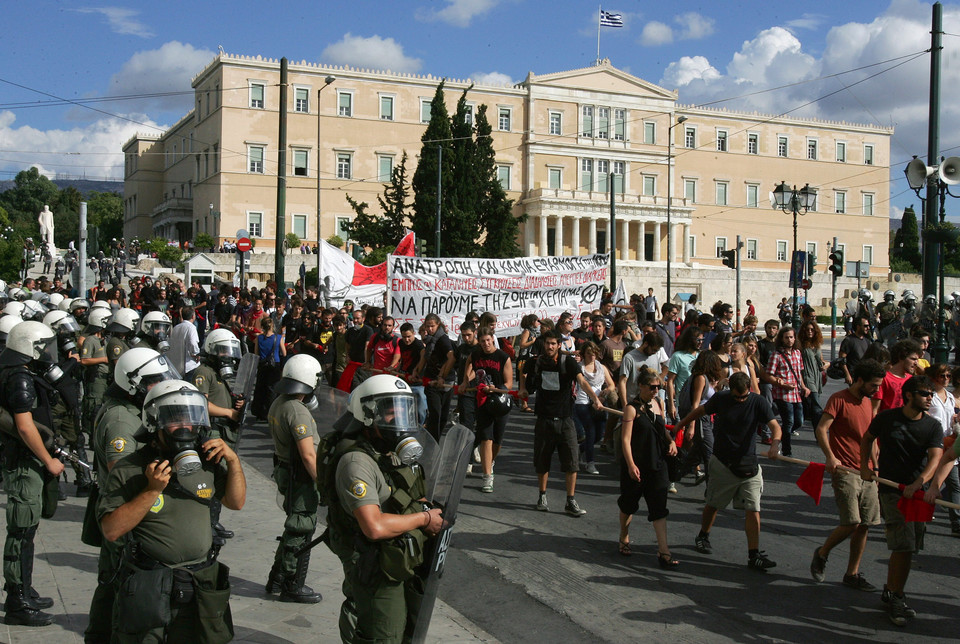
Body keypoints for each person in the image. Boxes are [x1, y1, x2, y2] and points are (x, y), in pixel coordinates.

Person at [98, 380, 244, 642]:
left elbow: (236, 502)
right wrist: (151, 490)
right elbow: (111, 530)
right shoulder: (130, 469)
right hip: (149, 585)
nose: (185, 427)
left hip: (200, 583)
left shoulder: (207, 462)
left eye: (191, 419)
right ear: (155, 422)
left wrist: (232, 460)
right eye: (176, 419)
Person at [322, 375, 443, 643]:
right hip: (370, 563)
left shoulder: (380, 450)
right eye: (391, 412)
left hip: (389, 559)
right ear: (367, 415)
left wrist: (417, 506)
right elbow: (374, 526)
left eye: (403, 411)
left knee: (400, 628)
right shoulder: (356, 462)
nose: (399, 420)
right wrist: (423, 519)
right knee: (384, 634)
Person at [86, 347, 179, 641]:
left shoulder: (129, 410)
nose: (159, 386)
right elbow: (123, 474)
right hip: (127, 514)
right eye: (154, 381)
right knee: (120, 587)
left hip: (132, 511)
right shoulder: (121, 421)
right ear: (132, 383)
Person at [677, 372, 782, 571]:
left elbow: (775, 427)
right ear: (730, 390)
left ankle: (754, 555)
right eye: (737, 397)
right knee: (713, 504)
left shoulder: (758, 402)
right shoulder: (722, 398)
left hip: (749, 466)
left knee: (754, 509)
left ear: (749, 389)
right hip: (723, 464)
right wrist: (683, 424)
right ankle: (703, 535)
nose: (741, 400)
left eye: (744, 396)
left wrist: (775, 445)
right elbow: (700, 411)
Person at [860, 375, 943, 627]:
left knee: (910, 546)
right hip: (891, 489)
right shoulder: (887, 418)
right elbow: (867, 439)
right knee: (903, 545)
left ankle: (891, 589)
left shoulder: (932, 426)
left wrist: (919, 484)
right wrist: (866, 466)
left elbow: (935, 458)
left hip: (916, 493)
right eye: (925, 393)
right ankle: (897, 597)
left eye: (931, 394)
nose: (930, 398)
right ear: (909, 395)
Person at [0, 322, 64, 626]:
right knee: (21, 530)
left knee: (28, 528)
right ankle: (17, 600)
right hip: (26, 462)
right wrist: (48, 461)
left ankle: (24, 589)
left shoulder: (19, 372)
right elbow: (25, 426)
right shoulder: (19, 378)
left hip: (28, 460)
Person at [810, 359, 885, 592]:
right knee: (852, 522)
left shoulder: (868, 403)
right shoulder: (839, 399)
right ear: (860, 380)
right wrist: (831, 457)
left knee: (865, 525)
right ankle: (822, 553)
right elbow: (821, 429)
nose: (877, 390)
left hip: (867, 472)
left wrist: (876, 466)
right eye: (873, 385)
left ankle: (852, 574)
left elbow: (869, 438)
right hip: (845, 471)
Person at [518, 331, 602, 517]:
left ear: (559, 345)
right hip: (544, 420)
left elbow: (582, 381)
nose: (550, 347)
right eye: (547, 343)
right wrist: (523, 389)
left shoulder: (567, 363)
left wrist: (595, 398)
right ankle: (542, 496)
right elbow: (522, 369)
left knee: (572, 463)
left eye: (553, 344)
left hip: (565, 420)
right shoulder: (536, 362)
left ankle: (570, 501)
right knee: (542, 461)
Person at [265, 354, 324, 603]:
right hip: (299, 475)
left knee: (294, 525)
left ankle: (276, 579)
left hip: (286, 470)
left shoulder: (279, 402)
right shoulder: (297, 411)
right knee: (301, 527)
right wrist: (324, 485)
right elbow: (309, 455)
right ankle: (292, 583)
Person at [189, 329, 245, 546]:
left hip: (225, 432)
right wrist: (229, 412)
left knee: (221, 476)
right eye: (223, 350)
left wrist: (237, 405)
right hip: (210, 431)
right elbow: (200, 403)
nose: (227, 356)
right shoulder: (203, 372)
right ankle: (207, 524)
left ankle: (214, 521)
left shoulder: (223, 375)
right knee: (212, 477)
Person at [618, 366, 678, 567]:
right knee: (628, 504)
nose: (655, 391)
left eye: (658, 387)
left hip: (657, 464)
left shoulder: (658, 403)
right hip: (637, 464)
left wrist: (670, 441)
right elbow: (625, 440)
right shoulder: (631, 408)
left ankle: (664, 551)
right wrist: (630, 465)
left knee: (659, 509)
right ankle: (624, 536)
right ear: (641, 386)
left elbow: (662, 429)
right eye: (652, 387)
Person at [462, 326, 513, 492]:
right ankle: (487, 477)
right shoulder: (476, 354)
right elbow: (469, 364)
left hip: (500, 400)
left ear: (493, 339)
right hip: (483, 401)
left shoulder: (502, 357)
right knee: (486, 438)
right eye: (482, 341)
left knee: (497, 440)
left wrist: (495, 389)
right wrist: (465, 382)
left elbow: (509, 384)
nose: (485, 344)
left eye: (488, 340)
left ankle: (490, 460)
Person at [922, 363, 959, 534]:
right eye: (942, 376)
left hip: (949, 445)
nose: (945, 379)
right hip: (932, 445)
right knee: (925, 482)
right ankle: (919, 519)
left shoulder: (950, 397)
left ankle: (956, 523)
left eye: (948, 376)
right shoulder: (929, 396)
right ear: (933, 377)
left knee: (954, 484)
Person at [766, 326, 809, 457]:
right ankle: (786, 450)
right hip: (783, 394)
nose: (789, 340)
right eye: (786, 337)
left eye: (791, 337)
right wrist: (782, 384)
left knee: (799, 421)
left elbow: (799, 373)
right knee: (788, 421)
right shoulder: (776, 355)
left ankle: (780, 435)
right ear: (782, 339)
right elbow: (769, 375)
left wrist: (803, 386)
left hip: (796, 394)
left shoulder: (797, 353)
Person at [573, 341, 614, 475]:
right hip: (583, 403)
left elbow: (612, 385)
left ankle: (581, 449)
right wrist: (594, 398)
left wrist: (605, 392)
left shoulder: (602, 368)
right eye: (589, 354)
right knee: (590, 431)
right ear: (584, 354)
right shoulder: (579, 368)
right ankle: (590, 462)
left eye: (594, 354)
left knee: (598, 435)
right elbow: (582, 383)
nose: (592, 357)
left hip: (599, 404)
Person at [414, 314, 455, 442]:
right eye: (428, 326)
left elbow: (451, 357)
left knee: (442, 417)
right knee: (435, 414)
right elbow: (425, 358)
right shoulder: (429, 340)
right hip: (431, 381)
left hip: (446, 381)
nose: (430, 329)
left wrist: (442, 376)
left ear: (438, 325)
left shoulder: (443, 339)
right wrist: (417, 371)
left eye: (432, 326)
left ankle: (434, 442)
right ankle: (432, 444)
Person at [873, 339, 921, 414]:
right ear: (901, 357)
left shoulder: (911, 379)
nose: (916, 363)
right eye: (913, 359)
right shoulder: (884, 379)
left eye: (917, 360)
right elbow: (875, 409)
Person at [665, 325, 701, 423]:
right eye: (698, 340)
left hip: (699, 402)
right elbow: (670, 381)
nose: (700, 342)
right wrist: (672, 405)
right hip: (683, 402)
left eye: (702, 340)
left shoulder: (701, 355)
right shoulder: (678, 356)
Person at [252, 317, 285, 420]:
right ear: (272, 326)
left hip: (262, 365)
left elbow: (256, 353)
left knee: (261, 387)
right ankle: (271, 411)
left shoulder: (259, 338)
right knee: (272, 389)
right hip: (275, 364)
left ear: (262, 326)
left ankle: (259, 411)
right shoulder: (278, 337)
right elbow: (284, 353)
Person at [798, 320, 829, 431]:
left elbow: (821, 361)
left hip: (817, 377)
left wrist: (827, 365)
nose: (810, 332)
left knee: (811, 405)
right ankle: (820, 433)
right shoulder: (800, 345)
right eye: (807, 330)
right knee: (816, 407)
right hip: (807, 376)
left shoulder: (816, 344)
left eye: (812, 329)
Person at [169, 305, 200, 376]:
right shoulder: (191, 327)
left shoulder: (176, 327)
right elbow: (193, 343)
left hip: (176, 364)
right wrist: (196, 354)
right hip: (189, 365)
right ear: (193, 316)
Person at [839, 317, 871, 384]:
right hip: (854, 377)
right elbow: (841, 359)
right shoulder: (848, 340)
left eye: (868, 326)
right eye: (865, 326)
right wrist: (847, 375)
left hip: (865, 376)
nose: (868, 328)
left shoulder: (867, 341)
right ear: (858, 326)